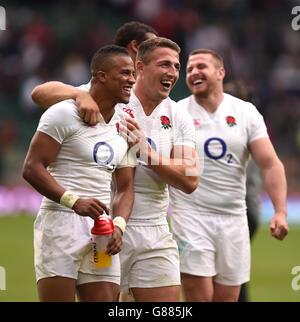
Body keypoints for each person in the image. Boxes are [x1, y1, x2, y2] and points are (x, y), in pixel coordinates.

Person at [31, 37, 200, 302]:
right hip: (100, 226)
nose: (172, 73)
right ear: (141, 67)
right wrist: (79, 94)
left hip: (148, 226)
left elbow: (189, 181)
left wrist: (147, 152)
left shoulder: (177, 115)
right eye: (165, 64)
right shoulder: (113, 97)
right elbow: (39, 94)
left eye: (177, 66)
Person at [168, 49, 289, 302]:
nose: (193, 73)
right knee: (198, 296)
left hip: (234, 219)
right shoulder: (176, 112)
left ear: (220, 72)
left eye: (200, 66)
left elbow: (270, 164)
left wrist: (280, 212)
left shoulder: (246, 112)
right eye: (189, 69)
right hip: (190, 217)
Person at [22, 45, 136, 302]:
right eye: (125, 73)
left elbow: (126, 187)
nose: (132, 79)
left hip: (103, 231)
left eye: (133, 74)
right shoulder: (63, 113)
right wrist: (74, 201)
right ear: (101, 75)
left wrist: (118, 226)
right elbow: (31, 167)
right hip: (60, 224)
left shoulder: (124, 125)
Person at [223, 80, 263, 302]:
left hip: (240, 208)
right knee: (234, 271)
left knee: (228, 273)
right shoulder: (252, 125)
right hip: (249, 209)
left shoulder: (243, 127)